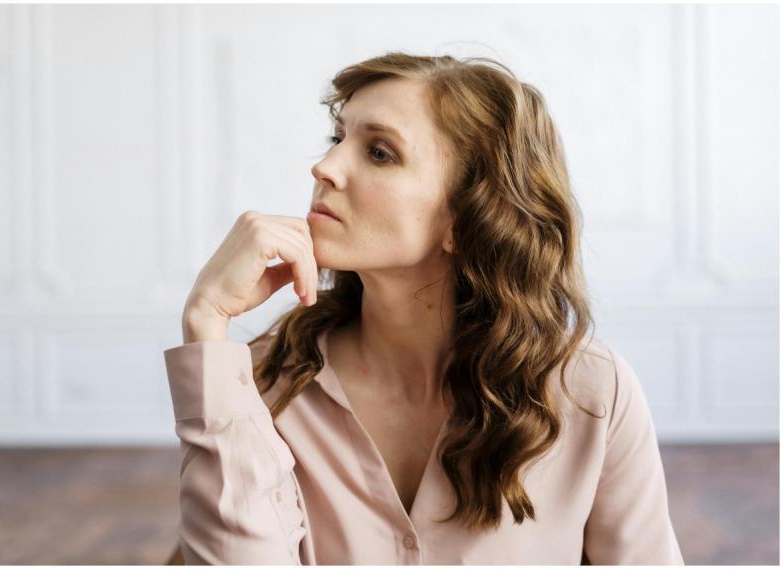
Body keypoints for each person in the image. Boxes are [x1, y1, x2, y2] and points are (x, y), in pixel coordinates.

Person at [163, 51, 685, 565]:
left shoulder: (592, 395)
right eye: (338, 138)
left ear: (467, 217)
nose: (324, 166)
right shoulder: (265, 380)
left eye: (380, 152)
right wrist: (207, 320)